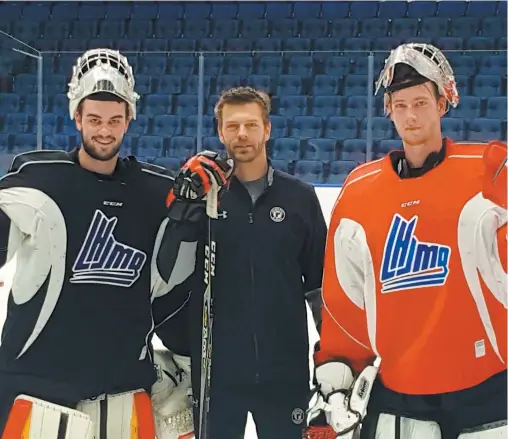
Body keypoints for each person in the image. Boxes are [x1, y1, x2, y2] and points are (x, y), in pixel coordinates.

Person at [0, 48, 231, 439]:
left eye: (114, 120)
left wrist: (190, 215)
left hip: (122, 389)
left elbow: (170, 287)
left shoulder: (157, 192)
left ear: (129, 120)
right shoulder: (37, 180)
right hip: (34, 385)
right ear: (76, 117)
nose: (104, 131)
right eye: (93, 120)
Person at [304, 43, 507, 439]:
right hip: (399, 394)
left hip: (488, 390)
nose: (411, 116)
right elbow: (346, 304)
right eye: (400, 105)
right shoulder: (359, 190)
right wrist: (336, 387)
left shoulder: (489, 172)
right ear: (389, 110)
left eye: (420, 102)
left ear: (443, 103)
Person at [156, 86, 328, 439]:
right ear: (220, 132)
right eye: (232, 126)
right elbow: (168, 274)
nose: (242, 134)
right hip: (215, 375)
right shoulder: (201, 198)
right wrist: (182, 210)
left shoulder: (299, 197)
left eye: (251, 125)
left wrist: (331, 361)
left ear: (267, 129)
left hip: (285, 371)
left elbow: (319, 287)